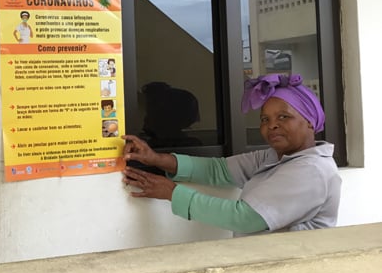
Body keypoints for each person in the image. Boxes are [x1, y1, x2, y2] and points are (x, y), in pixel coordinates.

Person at [122, 73, 341, 235]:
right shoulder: (275, 157)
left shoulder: (311, 171)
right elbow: (217, 170)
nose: (272, 125)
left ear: (311, 121)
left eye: (283, 117)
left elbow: (244, 218)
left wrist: (172, 192)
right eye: (265, 119)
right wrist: (155, 158)